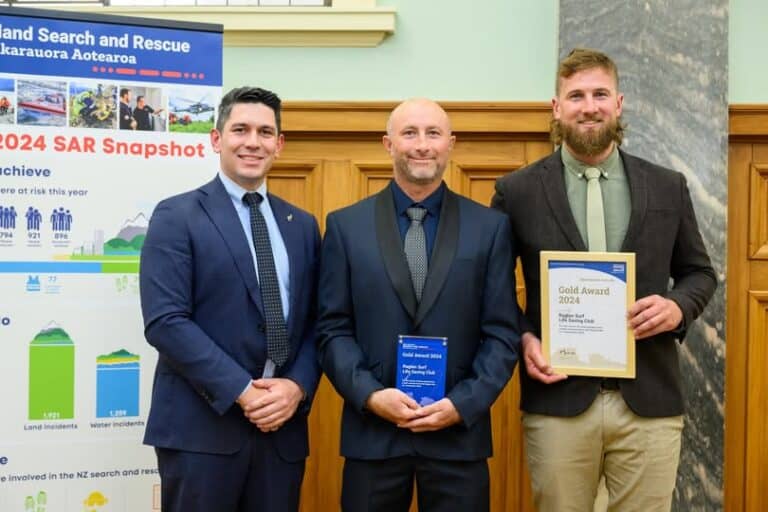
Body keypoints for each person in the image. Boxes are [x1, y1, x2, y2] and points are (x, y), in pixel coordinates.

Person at [491, 48, 717, 512]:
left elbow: (700, 273)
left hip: (649, 402)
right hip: (559, 400)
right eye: (575, 95)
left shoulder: (666, 186)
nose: (588, 105)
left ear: (619, 103)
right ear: (556, 108)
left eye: (599, 94)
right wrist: (524, 337)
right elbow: (490, 288)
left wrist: (677, 307)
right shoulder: (517, 191)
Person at [317, 98, 520, 512]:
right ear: (388, 144)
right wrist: (371, 396)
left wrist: (461, 405)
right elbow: (331, 329)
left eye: (433, 133)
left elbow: (502, 334)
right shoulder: (344, 226)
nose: (422, 145)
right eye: (409, 133)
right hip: (372, 436)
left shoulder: (491, 229)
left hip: (457, 438)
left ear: (451, 144)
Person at [140, 86, 322, 512]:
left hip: (282, 434)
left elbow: (319, 322)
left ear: (279, 144)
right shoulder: (176, 215)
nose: (253, 141)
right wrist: (243, 391)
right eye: (240, 129)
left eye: (265, 131)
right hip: (201, 432)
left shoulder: (302, 225)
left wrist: (296, 387)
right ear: (216, 138)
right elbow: (166, 321)